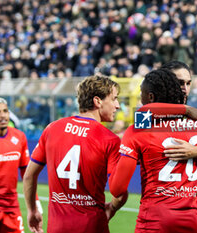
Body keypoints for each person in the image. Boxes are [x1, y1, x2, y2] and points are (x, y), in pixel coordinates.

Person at [109, 69, 197, 233]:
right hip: (192, 221)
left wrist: (114, 162)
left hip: (154, 221)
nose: (140, 99)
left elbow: (117, 189)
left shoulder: (139, 129)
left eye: (142, 94)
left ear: (151, 97)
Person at [23, 74, 128, 233]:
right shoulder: (110, 139)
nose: (117, 105)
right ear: (97, 101)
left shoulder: (52, 129)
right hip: (92, 226)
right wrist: (111, 209)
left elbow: (29, 176)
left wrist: (32, 211)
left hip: (56, 227)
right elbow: (120, 193)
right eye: (114, 99)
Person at [0, 97, 41, 233]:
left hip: (11, 207)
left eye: (5, 111)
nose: (2, 115)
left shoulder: (19, 137)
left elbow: (27, 174)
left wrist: (35, 203)